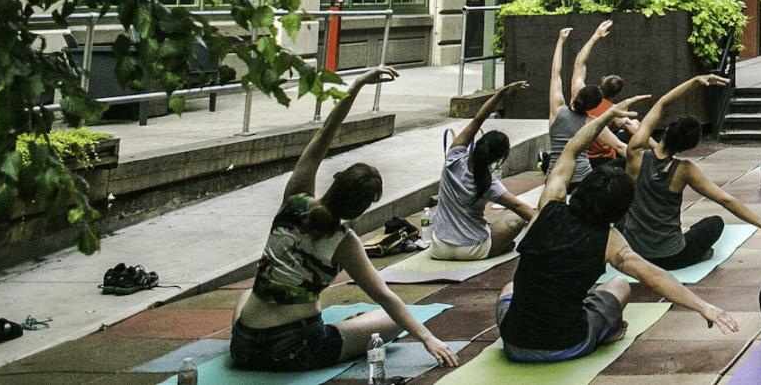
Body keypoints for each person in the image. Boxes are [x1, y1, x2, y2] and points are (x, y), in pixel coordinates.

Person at [230, 67, 457, 372]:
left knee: (249, 293)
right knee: (390, 322)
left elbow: (325, 135)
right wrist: (428, 339)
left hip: (243, 347)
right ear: (360, 210)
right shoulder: (344, 242)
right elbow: (385, 296)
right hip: (295, 350)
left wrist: (359, 85)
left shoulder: (294, 200)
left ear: (336, 178)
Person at [496, 103, 740, 362]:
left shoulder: (547, 207)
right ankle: (604, 329)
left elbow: (571, 149)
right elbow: (655, 277)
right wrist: (704, 306)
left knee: (509, 289)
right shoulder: (611, 241)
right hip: (569, 345)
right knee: (619, 285)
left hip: (514, 343)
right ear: (618, 211)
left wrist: (606, 117)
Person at [620, 71, 761, 270]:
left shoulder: (635, 153)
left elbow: (662, 104)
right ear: (688, 147)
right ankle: (698, 255)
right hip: (670, 257)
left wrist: (694, 81)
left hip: (634, 254)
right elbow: (725, 199)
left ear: (666, 131)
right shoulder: (684, 170)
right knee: (715, 223)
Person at [428, 78, 537, 259]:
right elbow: (519, 207)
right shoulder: (488, 183)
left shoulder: (453, 160)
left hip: (439, 247)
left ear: (478, 145)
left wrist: (502, 92)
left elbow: (478, 119)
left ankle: (500, 245)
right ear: (497, 159)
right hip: (474, 250)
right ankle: (500, 246)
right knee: (514, 219)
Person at [544, 22, 614, 179]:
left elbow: (556, 72)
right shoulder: (592, 122)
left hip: (555, 177)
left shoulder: (557, 111)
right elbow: (619, 146)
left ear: (578, 95)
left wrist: (560, 42)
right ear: (594, 106)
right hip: (581, 178)